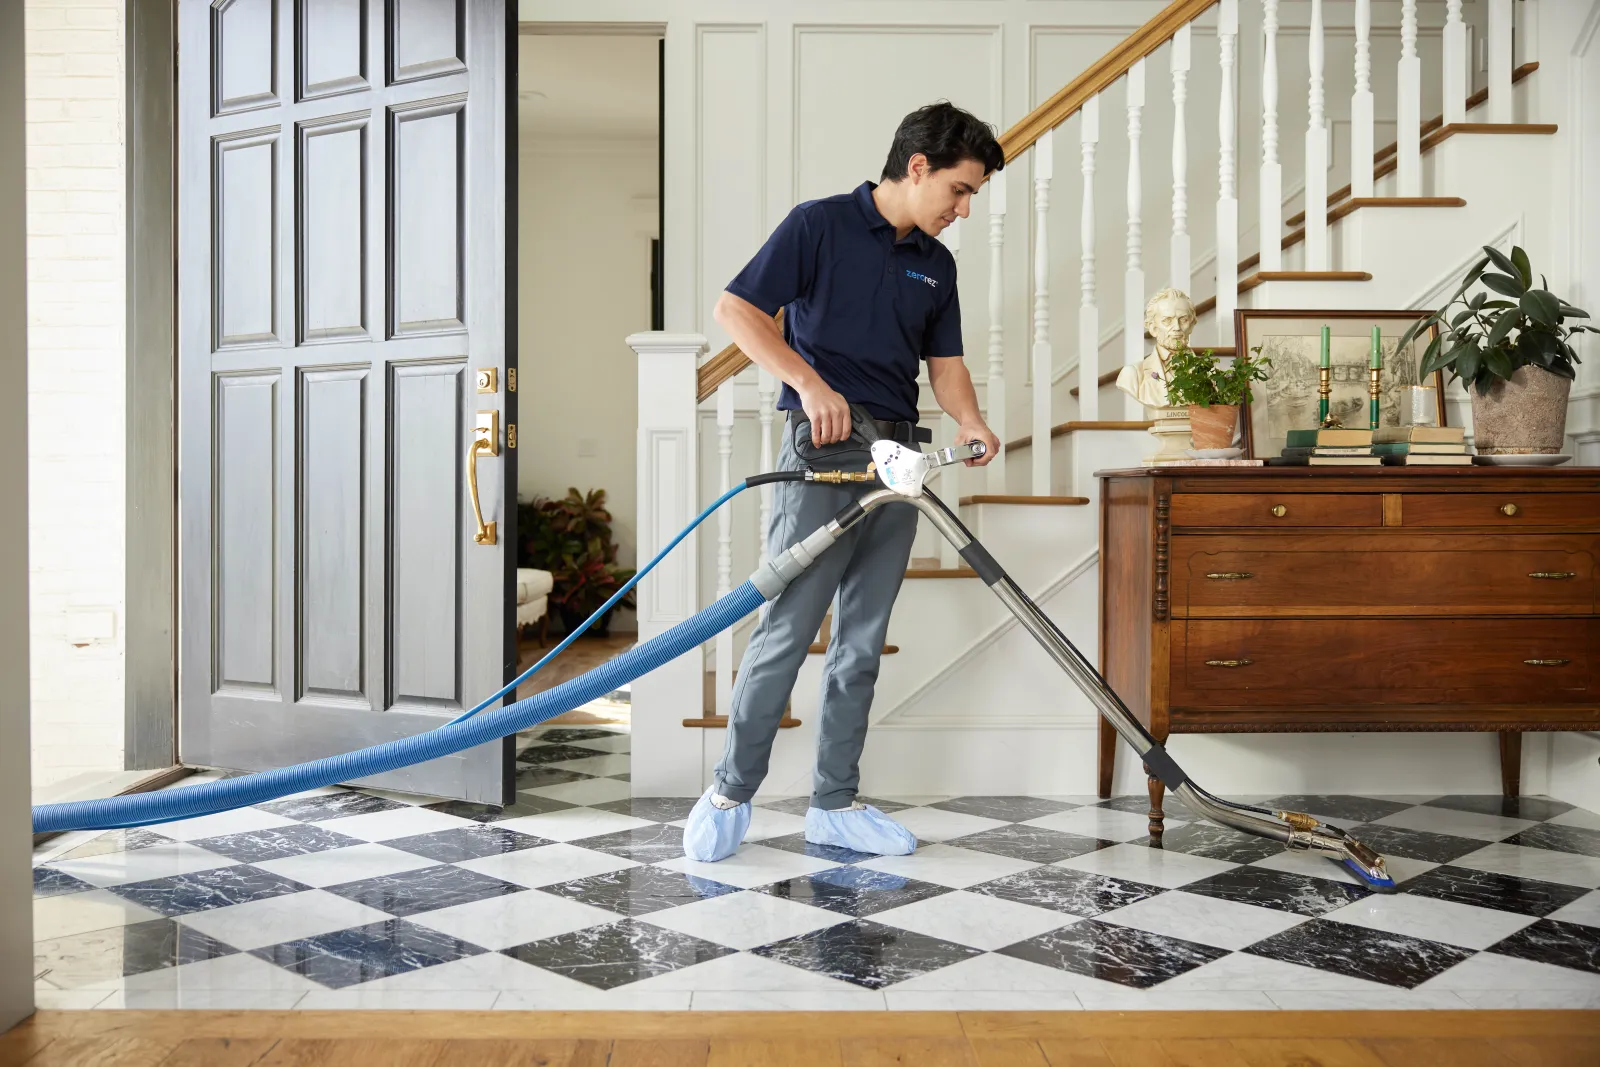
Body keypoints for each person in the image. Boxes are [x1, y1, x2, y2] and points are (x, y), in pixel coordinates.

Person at [683, 102, 1004, 863]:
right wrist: (808, 382)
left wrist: (971, 421)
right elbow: (737, 309)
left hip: (903, 457)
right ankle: (731, 789)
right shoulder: (818, 225)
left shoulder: (937, 264)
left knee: (861, 642)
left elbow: (946, 364)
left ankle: (834, 802)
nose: (963, 210)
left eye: (973, 198)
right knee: (788, 630)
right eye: (960, 190)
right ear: (918, 165)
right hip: (825, 448)